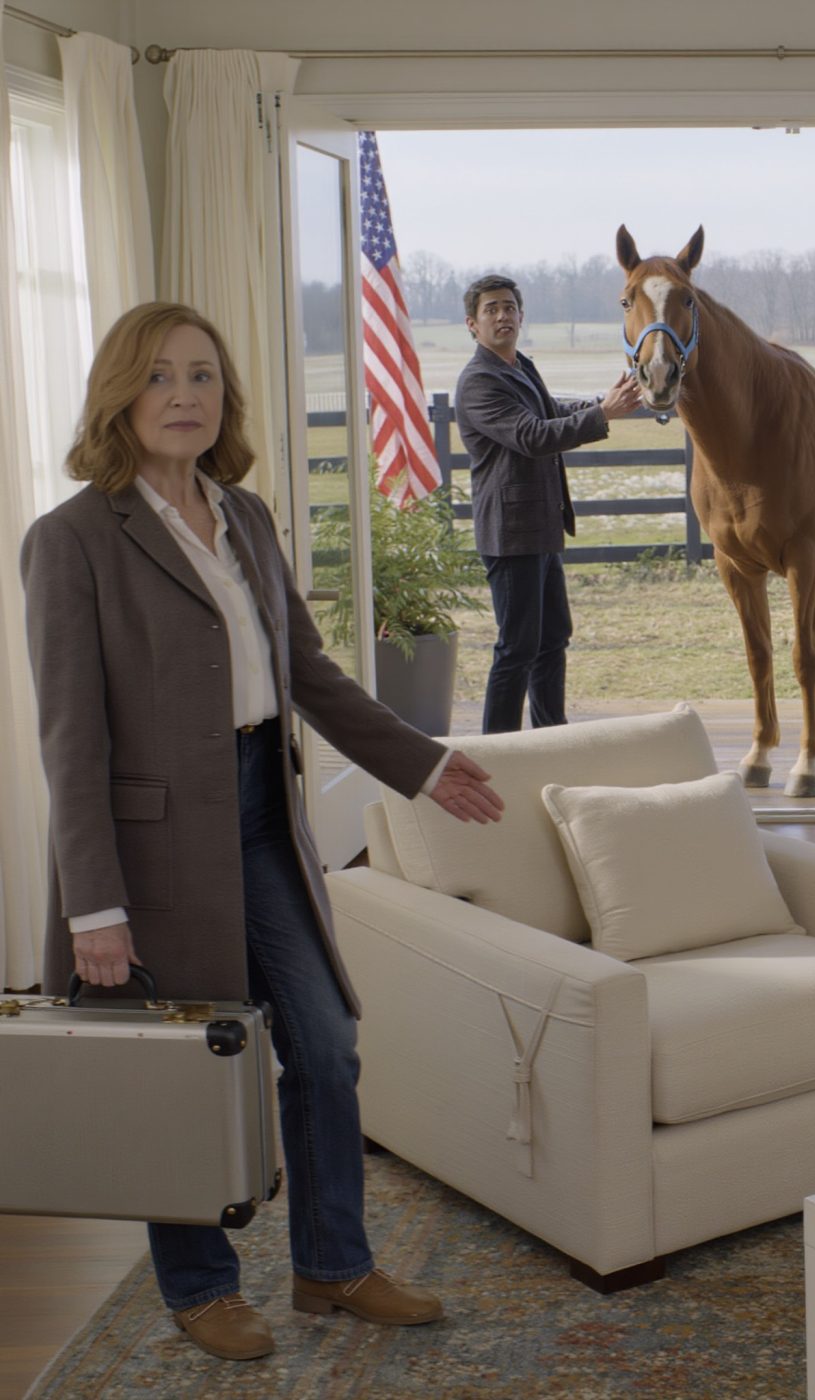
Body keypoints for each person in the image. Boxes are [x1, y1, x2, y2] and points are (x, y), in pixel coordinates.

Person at [21, 302, 505, 1362]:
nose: (184, 395)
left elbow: (308, 674)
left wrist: (421, 762)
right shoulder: (70, 540)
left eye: (202, 375)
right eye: (159, 377)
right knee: (183, 1069)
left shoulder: (245, 517)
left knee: (325, 1044)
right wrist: (91, 902)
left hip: (259, 818)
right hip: (146, 849)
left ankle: (334, 1265)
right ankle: (201, 1285)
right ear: (119, 395)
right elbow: (70, 738)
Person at [454, 274, 642, 733]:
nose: (502, 316)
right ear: (472, 325)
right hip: (511, 533)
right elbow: (532, 435)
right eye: (491, 309)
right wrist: (603, 415)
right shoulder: (479, 381)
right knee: (517, 648)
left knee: (553, 638)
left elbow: (549, 410)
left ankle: (551, 735)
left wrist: (602, 402)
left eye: (509, 307)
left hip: (541, 526)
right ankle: (498, 750)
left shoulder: (519, 366)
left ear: (521, 316)